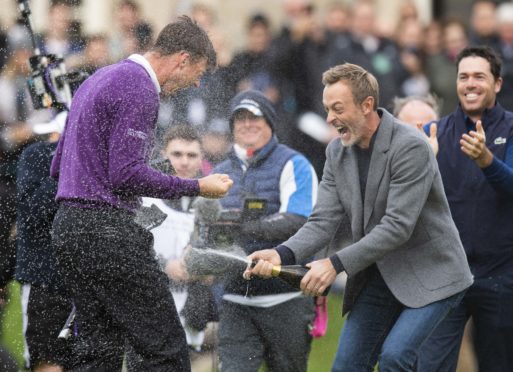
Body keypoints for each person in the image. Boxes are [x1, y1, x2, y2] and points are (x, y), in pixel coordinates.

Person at [246, 63, 473, 371]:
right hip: (379, 274)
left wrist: (334, 264)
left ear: (367, 105)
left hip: (434, 272)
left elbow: (396, 227)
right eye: (327, 109)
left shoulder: (411, 146)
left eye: (337, 108)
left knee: (395, 357)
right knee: (346, 366)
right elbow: (322, 221)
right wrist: (280, 253)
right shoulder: (336, 153)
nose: (329, 119)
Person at [50, 16, 233, 372]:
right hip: (106, 233)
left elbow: (58, 166)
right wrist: (196, 187)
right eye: (196, 73)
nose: (194, 84)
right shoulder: (139, 87)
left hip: (69, 228)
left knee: (96, 352)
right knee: (165, 350)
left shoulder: (98, 78)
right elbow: (126, 175)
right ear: (182, 58)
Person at [417, 46, 513, 372]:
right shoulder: (435, 132)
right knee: (430, 365)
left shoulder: (512, 129)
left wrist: (487, 160)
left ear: (497, 84)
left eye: (479, 77)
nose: (470, 83)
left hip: (500, 275)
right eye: (464, 77)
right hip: (447, 275)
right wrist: (423, 168)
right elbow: (413, 203)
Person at [214, 90, 318, 372]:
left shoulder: (294, 164)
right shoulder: (218, 172)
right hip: (235, 300)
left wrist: (246, 228)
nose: (247, 124)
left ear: (270, 122)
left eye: (255, 117)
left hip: (285, 299)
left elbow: (300, 218)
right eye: (240, 118)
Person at [15, 113, 73, 372]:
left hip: (86, 283)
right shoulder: (36, 156)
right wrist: (65, 164)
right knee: (47, 364)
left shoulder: (99, 161)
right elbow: (31, 215)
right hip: (45, 281)